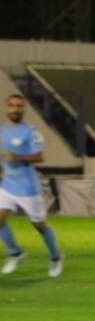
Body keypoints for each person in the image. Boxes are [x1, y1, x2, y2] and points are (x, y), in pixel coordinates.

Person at [0, 94, 64, 278]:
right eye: (12, 106)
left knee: (39, 225)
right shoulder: (3, 130)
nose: (15, 109)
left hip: (27, 187)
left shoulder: (31, 132)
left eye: (19, 106)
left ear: (24, 109)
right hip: (8, 184)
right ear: (7, 108)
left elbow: (40, 156)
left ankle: (56, 257)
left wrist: (18, 157)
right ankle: (16, 253)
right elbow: (3, 156)